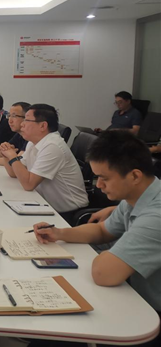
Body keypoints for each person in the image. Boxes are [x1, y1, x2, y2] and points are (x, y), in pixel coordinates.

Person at [32, 131, 160, 347]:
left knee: (62, 330)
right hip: (132, 293)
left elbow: (104, 273)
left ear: (135, 176)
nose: (98, 185)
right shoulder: (137, 197)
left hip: (149, 313)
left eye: (104, 178)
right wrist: (60, 234)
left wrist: (117, 253)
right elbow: (102, 231)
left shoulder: (155, 216)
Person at [0, 104, 88, 221]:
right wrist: (6, 155)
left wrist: (12, 156)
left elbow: (28, 184)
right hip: (44, 203)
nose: (22, 124)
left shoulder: (53, 146)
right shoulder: (33, 142)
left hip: (68, 213)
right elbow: (14, 173)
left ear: (42, 126)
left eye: (27, 120)